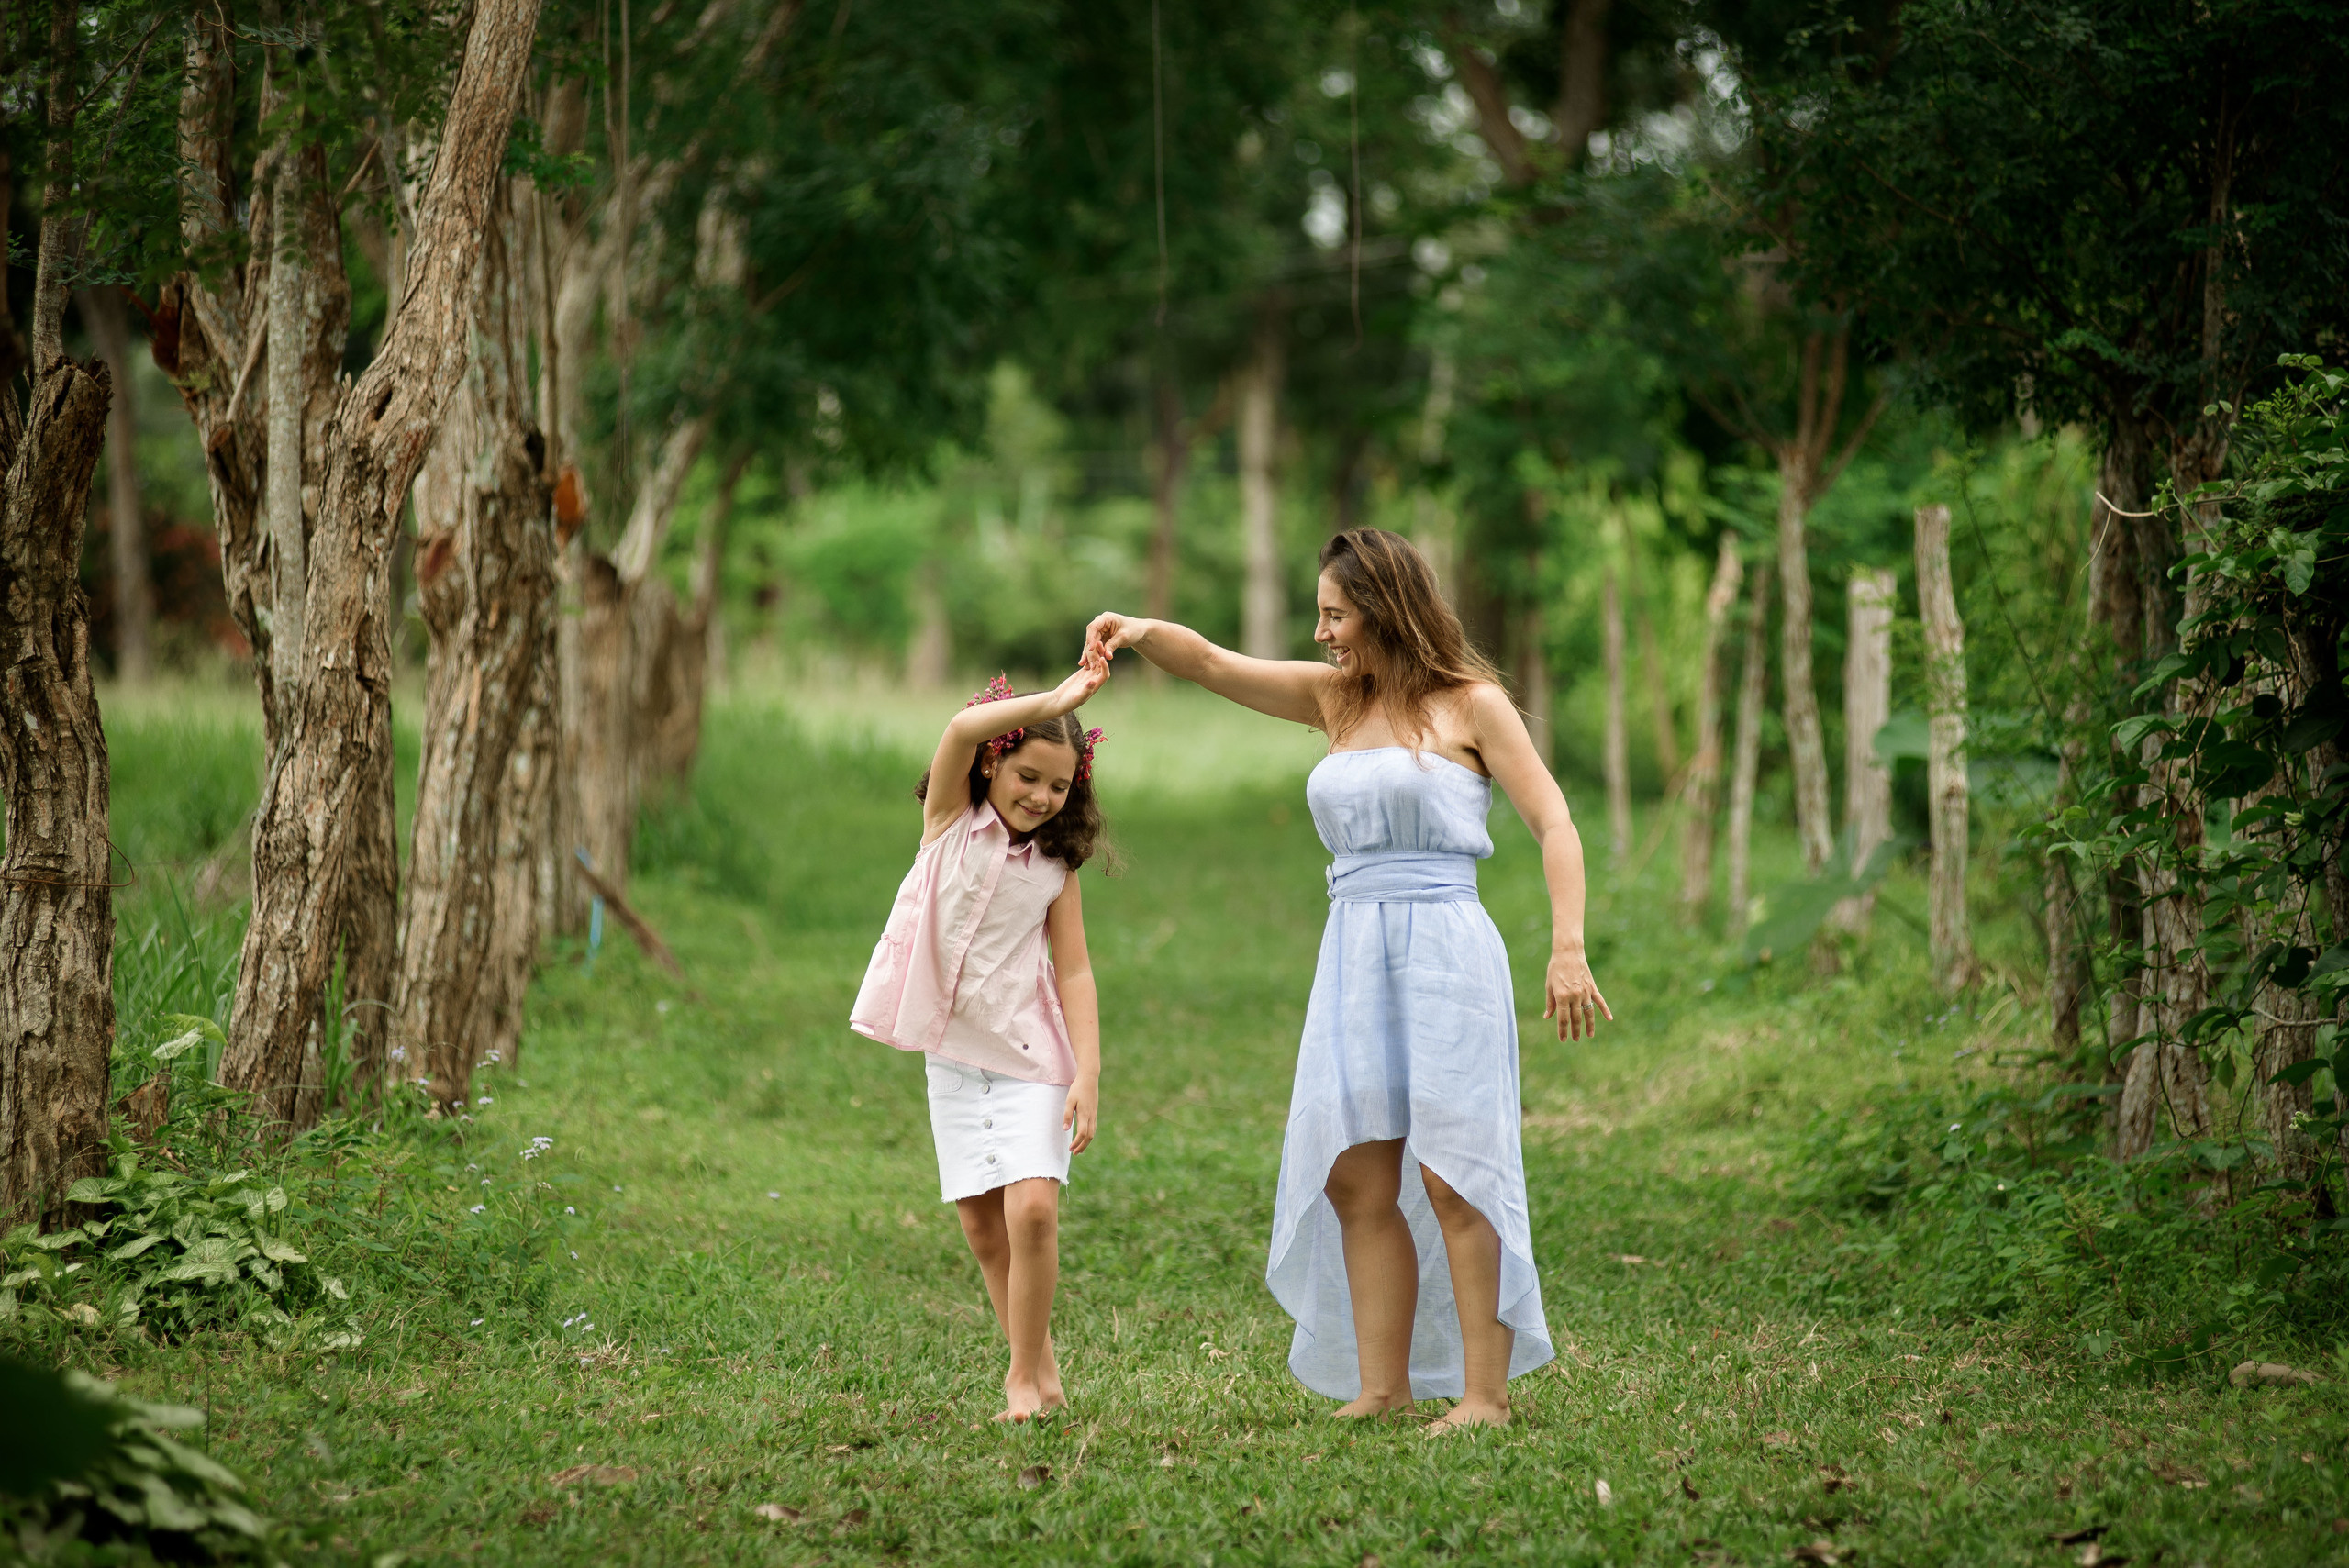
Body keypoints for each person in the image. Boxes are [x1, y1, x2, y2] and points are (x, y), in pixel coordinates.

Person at [1084, 528, 1609, 1432]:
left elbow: (1554, 820)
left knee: (1456, 1170)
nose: (1323, 632)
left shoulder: (1473, 705)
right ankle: (1383, 1384)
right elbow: (1211, 661)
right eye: (1319, 614)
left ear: (1386, 609)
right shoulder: (1333, 699)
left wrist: (1568, 945)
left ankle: (1484, 1394)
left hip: (1445, 947)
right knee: (1354, 1173)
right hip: (1352, 950)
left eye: (1336, 613)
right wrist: (1135, 631)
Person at [850, 660, 1112, 1421]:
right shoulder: (947, 822)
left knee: (1032, 1209)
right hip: (956, 1052)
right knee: (980, 1223)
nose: (1040, 797)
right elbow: (960, 727)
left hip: (1033, 1051)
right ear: (996, 761)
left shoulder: (1055, 867)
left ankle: (1019, 1380)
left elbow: (1077, 973)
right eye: (1029, 775)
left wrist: (1088, 1072)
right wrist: (1059, 699)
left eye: (1059, 787)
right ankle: (1042, 1373)